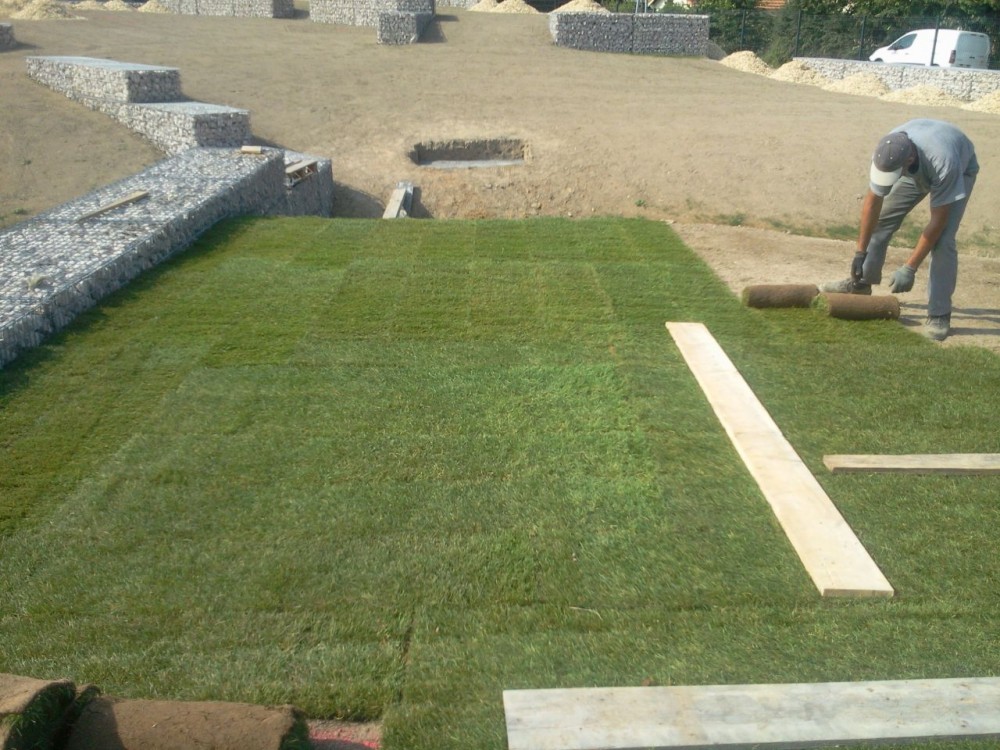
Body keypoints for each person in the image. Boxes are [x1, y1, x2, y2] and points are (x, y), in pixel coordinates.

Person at [819, 119, 979, 341]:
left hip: (959, 169)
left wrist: (909, 268)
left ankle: (939, 313)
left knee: (943, 240)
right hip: (916, 169)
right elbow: (873, 203)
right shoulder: (887, 151)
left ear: (909, 160)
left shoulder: (943, 162)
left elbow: (938, 220)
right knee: (882, 221)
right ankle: (861, 283)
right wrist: (860, 252)